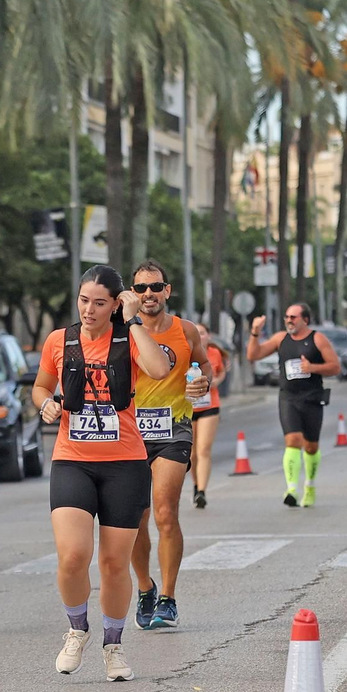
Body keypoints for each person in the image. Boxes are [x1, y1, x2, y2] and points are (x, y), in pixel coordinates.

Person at [32, 265, 172, 682]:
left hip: (125, 464)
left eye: (99, 302)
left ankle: (114, 644)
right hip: (72, 458)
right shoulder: (60, 340)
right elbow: (40, 386)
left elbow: (159, 369)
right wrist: (45, 404)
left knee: (114, 563)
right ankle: (77, 629)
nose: (89, 309)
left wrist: (132, 321)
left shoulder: (129, 337)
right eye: (83, 300)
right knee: (73, 555)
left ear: (115, 304)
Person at [127, 261, 211, 631]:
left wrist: (202, 383)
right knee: (134, 519)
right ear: (132, 293)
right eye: (141, 288)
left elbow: (204, 366)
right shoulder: (122, 331)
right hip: (129, 432)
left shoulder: (185, 330)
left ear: (167, 291)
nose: (149, 294)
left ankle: (168, 598)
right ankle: (145, 588)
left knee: (164, 512)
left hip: (174, 429)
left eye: (155, 287)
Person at [245, 303, 341, 507]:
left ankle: (310, 486)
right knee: (293, 440)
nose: (289, 320)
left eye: (293, 317)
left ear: (305, 320)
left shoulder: (317, 339)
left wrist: (312, 367)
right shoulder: (281, 339)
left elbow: (335, 367)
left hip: (313, 398)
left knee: (311, 446)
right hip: (288, 397)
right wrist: (255, 333)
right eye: (287, 317)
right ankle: (291, 489)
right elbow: (253, 355)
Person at [191, 322, 228, 510]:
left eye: (203, 333)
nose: (200, 336)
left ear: (208, 336)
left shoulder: (214, 353)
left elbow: (221, 372)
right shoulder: (184, 352)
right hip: (188, 408)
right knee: (192, 454)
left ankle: (202, 492)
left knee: (203, 449)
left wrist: (216, 382)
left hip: (209, 406)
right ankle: (196, 485)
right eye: (196, 333)